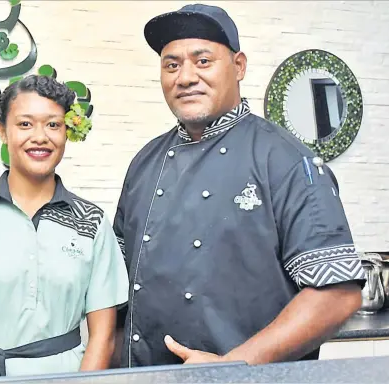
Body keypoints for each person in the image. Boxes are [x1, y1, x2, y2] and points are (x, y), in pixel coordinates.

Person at [112, 3, 366, 368]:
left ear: (239, 66)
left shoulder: (285, 160)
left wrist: (231, 367)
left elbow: (337, 294)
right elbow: (117, 290)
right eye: (172, 65)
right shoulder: (144, 162)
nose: (185, 77)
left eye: (203, 61)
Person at [0, 75, 129, 379]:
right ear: (2, 132)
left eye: (53, 125)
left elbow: (103, 336)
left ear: (67, 133)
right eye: (25, 124)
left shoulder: (92, 223)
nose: (40, 137)